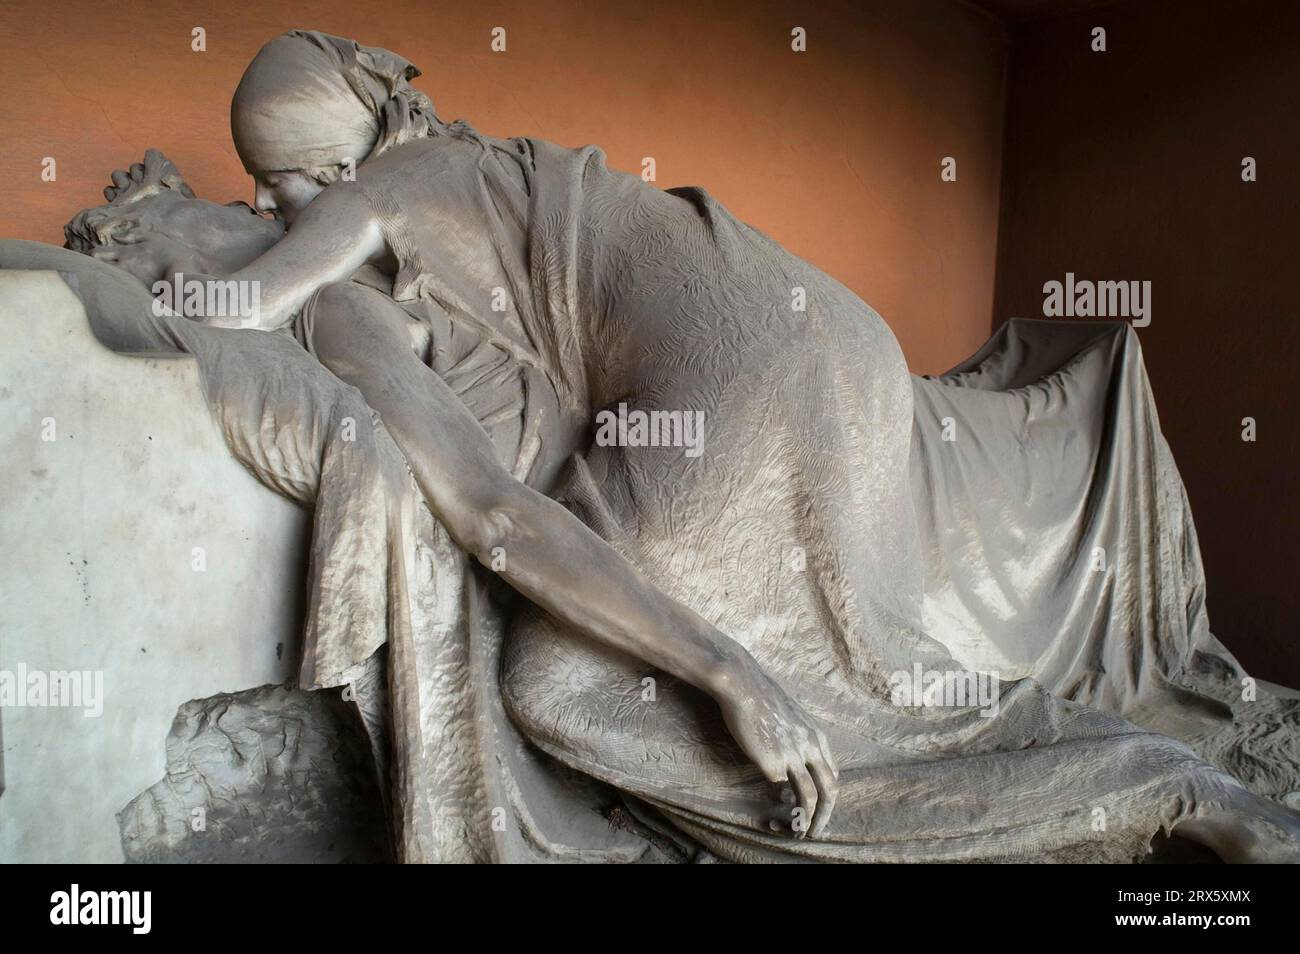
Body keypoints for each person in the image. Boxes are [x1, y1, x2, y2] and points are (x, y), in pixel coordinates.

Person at [114, 29, 1300, 861]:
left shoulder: (362, 221)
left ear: (320, 174)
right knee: (872, 669)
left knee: (566, 682)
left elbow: (481, 507)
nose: (269, 212)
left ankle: (1135, 794)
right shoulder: (482, 165)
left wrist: (727, 672)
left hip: (736, 389)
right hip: (830, 336)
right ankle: (1152, 782)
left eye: (273, 189)